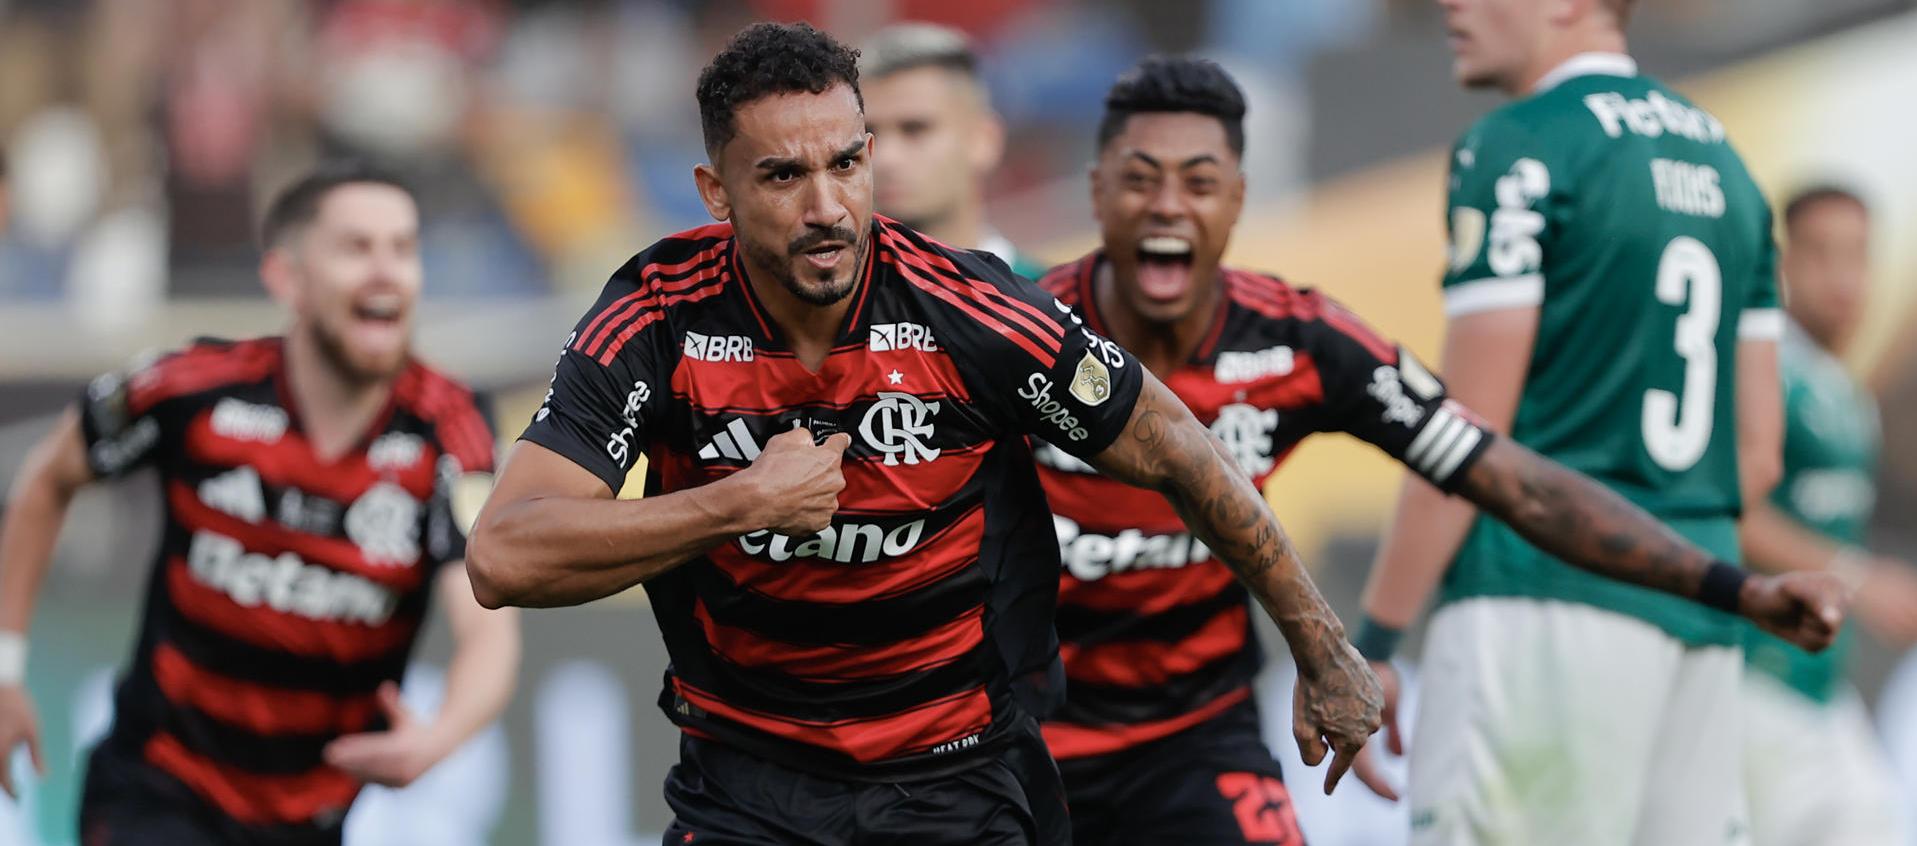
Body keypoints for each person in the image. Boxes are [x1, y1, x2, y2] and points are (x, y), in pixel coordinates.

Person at [466, 22, 1381, 846]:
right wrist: (736, 503)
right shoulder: (653, 317)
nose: (826, 207)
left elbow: (1176, 445)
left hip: (957, 777)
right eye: (783, 175)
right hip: (746, 783)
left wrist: (1323, 648)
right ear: (716, 191)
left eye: (845, 165)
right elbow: (505, 556)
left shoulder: (969, 307)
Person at [1033, 55, 1842, 846]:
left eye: (1200, 182)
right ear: (1097, 190)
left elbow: (1511, 482)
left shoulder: (1299, 340)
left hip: (1193, 739)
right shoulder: (1018, 335)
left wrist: (1734, 587)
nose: (1168, 206)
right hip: (1022, 736)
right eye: (1139, 180)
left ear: (1239, 198)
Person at [1356, 0, 1796, 842]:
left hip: (1537, 604)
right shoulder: (1730, 167)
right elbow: (1758, 458)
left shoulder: (1520, 144)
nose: (1451, 5)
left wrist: (1371, 640)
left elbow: (1464, 438)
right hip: (1698, 619)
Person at [0, 162, 521, 845]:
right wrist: (5, 669)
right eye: (355, 248)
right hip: (157, 789)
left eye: (403, 248)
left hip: (310, 819)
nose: (386, 271)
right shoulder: (192, 388)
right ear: (286, 278)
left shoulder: (450, 429)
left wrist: (440, 737)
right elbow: (47, 478)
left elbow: (488, 628)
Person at [1740, 185, 1915, 845]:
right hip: (1752, 677)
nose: (1842, 279)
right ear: (1782, 264)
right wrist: (1859, 578)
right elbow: (1731, 514)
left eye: (1857, 257)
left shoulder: (1844, 390)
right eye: (1820, 255)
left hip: (1820, 688)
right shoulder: (1765, 370)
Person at [860, 22, 1047, 279]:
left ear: (984, 140)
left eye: (915, 129)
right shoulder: (823, 309)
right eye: (867, 133)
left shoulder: (1056, 305)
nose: (884, 158)